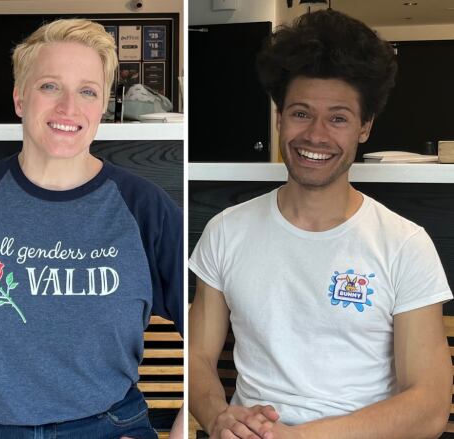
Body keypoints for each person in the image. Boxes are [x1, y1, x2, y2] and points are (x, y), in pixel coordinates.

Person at [189, 10, 451, 439]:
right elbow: (197, 357)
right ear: (279, 117)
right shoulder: (225, 231)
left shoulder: (404, 244)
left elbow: (428, 406)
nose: (316, 135)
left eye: (339, 118)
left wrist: (298, 437)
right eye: (301, 113)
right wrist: (219, 415)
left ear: (364, 127)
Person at [0, 19, 184, 439]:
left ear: (102, 106)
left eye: (87, 91)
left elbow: (215, 316)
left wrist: (186, 428)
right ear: (20, 98)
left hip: (107, 425)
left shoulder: (143, 207)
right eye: (49, 86)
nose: (68, 108)